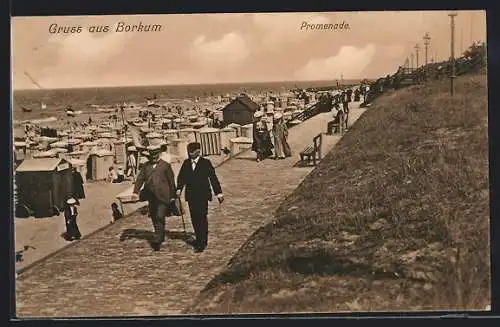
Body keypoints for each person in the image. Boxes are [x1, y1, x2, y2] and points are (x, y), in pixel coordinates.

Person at [176, 142, 224, 253]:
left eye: (192, 152)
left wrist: (219, 193)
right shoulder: (186, 163)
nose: (190, 154)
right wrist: (179, 189)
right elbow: (181, 178)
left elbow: (213, 178)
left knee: (202, 217)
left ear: (198, 151)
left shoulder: (205, 163)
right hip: (191, 196)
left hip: (203, 195)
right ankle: (199, 238)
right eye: (188, 152)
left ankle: (202, 242)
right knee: (194, 218)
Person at [132, 146, 177, 251]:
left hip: (163, 196)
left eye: (155, 154)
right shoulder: (146, 166)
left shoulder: (165, 166)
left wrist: (173, 195)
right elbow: (140, 179)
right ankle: (160, 233)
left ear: (159, 154)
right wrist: (135, 192)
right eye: (151, 155)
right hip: (151, 197)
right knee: (154, 216)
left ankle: (158, 238)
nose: (153, 157)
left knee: (159, 215)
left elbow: (171, 181)